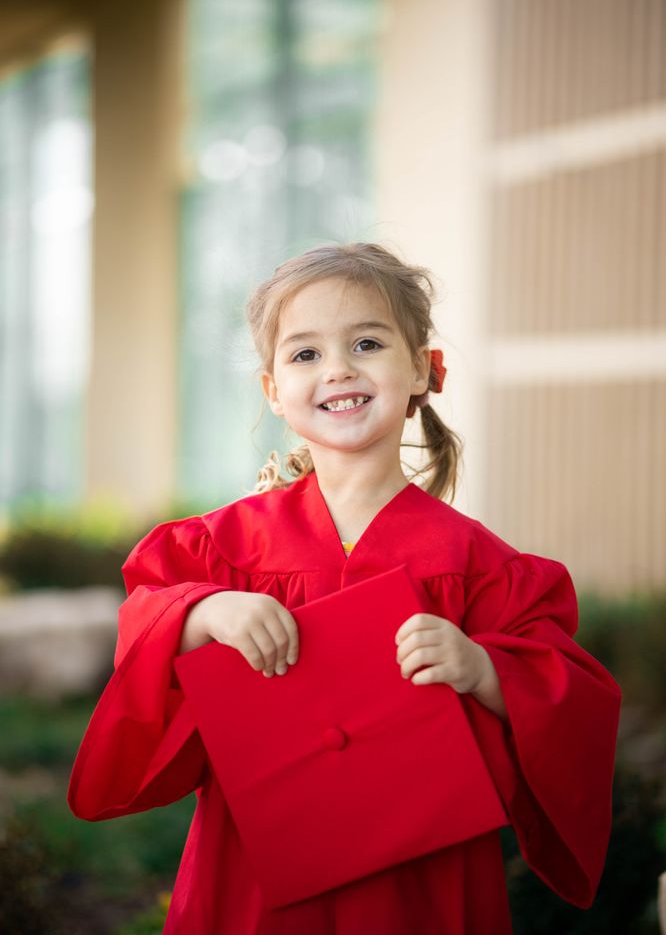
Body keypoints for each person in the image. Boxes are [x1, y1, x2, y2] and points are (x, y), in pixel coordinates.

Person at [68, 241, 622, 934]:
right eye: (304, 354)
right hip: (259, 862)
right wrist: (205, 609)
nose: (337, 370)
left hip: (420, 871)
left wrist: (483, 668)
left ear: (421, 368)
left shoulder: (480, 565)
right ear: (273, 390)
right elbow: (141, 624)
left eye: (366, 343)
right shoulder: (220, 550)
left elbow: (572, 694)